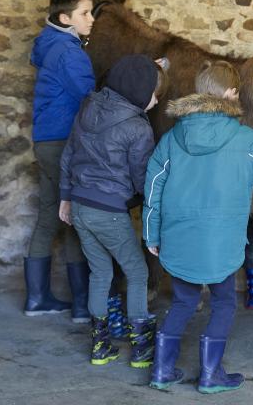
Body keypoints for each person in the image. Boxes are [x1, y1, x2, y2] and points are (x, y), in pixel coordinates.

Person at [143, 84, 253, 393]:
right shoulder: (243, 138)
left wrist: (151, 233)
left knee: (183, 301)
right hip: (222, 243)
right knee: (223, 303)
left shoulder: (171, 139)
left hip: (180, 239)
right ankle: (210, 374)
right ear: (231, 92)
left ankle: (162, 370)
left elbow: (154, 189)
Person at [59, 54, 164, 368]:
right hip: (109, 211)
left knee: (101, 272)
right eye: (155, 93)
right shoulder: (137, 128)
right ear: (139, 91)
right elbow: (143, 179)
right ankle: (142, 348)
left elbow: (67, 156)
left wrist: (66, 197)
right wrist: (159, 208)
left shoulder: (88, 108)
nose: (157, 100)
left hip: (79, 206)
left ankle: (100, 346)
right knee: (137, 272)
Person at [25, 0, 95, 323]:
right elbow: (89, 97)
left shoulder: (50, 44)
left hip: (46, 140)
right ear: (65, 18)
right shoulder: (69, 52)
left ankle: (37, 299)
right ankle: (82, 305)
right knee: (75, 220)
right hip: (64, 143)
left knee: (50, 216)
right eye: (85, 13)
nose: (91, 19)